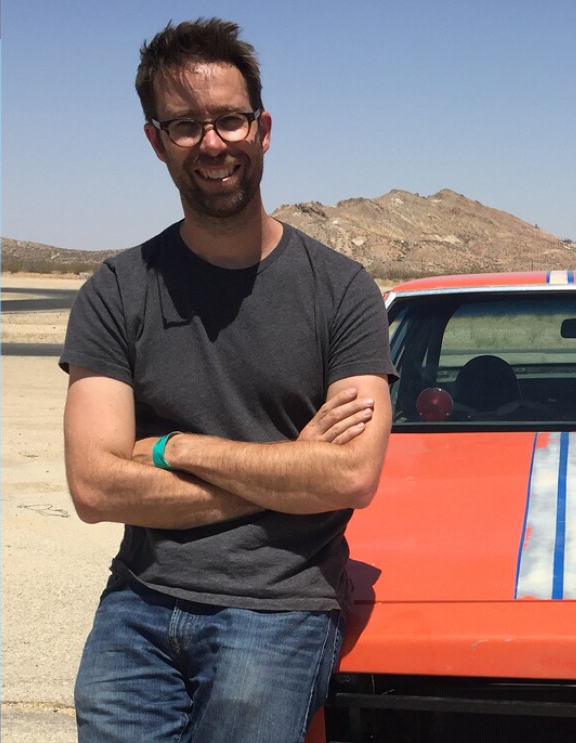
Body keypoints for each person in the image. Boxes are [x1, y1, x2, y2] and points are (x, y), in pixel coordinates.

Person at [59, 17, 396, 743]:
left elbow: (352, 476)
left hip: (278, 608)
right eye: (185, 125)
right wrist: (289, 466)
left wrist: (175, 446)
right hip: (138, 603)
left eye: (230, 120)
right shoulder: (117, 291)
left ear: (263, 129)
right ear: (156, 140)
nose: (213, 143)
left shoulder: (341, 291)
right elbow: (93, 487)